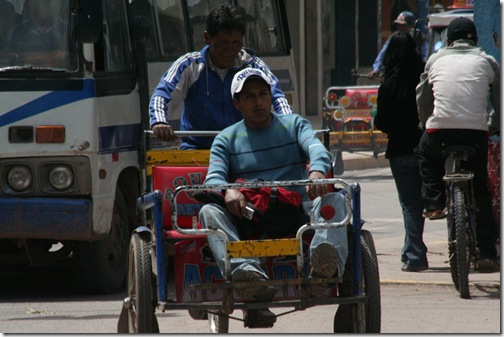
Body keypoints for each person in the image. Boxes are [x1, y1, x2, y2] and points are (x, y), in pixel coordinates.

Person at [198, 68, 348, 325]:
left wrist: (317, 171)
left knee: (336, 200)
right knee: (208, 212)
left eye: (262, 94)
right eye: (249, 97)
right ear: (237, 103)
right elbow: (214, 178)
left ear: (270, 96)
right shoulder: (226, 138)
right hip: (249, 216)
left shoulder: (294, 124)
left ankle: (325, 272)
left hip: (295, 213)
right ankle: (246, 273)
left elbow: (315, 148)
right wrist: (227, 190)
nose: (258, 102)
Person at [415, 17, 500, 272]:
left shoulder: (435, 60)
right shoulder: (487, 61)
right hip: (476, 134)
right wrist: (494, 124)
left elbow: (422, 96)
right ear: (474, 39)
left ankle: (434, 203)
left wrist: (426, 121)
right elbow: (500, 99)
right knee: (481, 192)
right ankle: (487, 253)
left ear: (448, 41)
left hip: (439, 132)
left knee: (424, 152)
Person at [149, 3, 292, 150]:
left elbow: (278, 98)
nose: (229, 50)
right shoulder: (188, 66)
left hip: (243, 150)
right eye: (223, 43)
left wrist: (290, 124)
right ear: (207, 37)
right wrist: (160, 122)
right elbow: (162, 94)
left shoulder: (253, 66)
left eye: (235, 43)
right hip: (197, 150)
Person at [374, 32, 427, 272]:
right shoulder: (424, 79)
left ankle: (415, 255)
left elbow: (382, 122)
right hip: (426, 148)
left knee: (410, 205)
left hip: (399, 151)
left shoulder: (388, 85)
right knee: (426, 203)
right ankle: (412, 250)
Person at [368, 11, 428, 80]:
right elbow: (383, 53)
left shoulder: (419, 37)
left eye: (403, 25)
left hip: (414, 74)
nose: (400, 28)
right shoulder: (393, 38)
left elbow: (425, 55)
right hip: (396, 74)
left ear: (411, 26)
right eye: (398, 25)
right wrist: (376, 69)